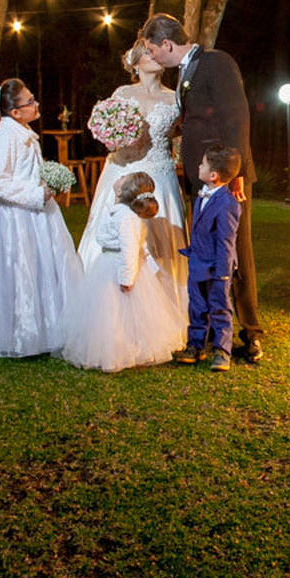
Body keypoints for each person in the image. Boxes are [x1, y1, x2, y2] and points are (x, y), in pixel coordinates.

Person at [141, 13, 263, 362]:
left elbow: (236, 117)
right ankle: (211, 329)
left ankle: (251, 334)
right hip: (200, 180)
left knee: (236, 251)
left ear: (167, 44)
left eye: (153, 49)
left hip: (226, 179)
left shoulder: (216, 62)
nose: (153, 57)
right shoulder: (185, 72)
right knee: (207, 254)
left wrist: (233, 174)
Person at [0, 79, 81, 358]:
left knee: (40, 270)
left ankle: (45, 329)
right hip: (13, 218)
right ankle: (13, 333)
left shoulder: (25, 133)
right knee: (17, 272)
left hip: (37, 216)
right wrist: (36, 193)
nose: (36, 104)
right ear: (15, 112)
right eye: (30, 101)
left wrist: (50, 182)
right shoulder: (3, 138)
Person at [78, 40, 187, 313]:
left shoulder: (173, 97)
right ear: (135, 63)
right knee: (116, 233)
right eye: (147, 54)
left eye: (154, 52)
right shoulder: (122, 93)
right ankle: (106, 308)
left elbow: (179, 133)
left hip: (159, 175)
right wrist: (113, 139)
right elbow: (110, 132)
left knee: (160, 241)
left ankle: (161, 310)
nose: (153, 57)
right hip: (123, 170)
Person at [60, 172, 186, 372]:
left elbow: (129, 249)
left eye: (123, 177)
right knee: (112, 312)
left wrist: (127, 277)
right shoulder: (119, 212)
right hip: (109, 263)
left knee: (118, 312)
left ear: (121, 190)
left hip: (117, 268)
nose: (119, 176)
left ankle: (122, 350)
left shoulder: (126, 217)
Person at [173, 146, 243, 372]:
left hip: (216, 268)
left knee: (219, 308)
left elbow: (226, 240)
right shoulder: (202, 194)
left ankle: (222, 351)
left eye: (202, 164)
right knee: (197, 306)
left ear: (213, 175)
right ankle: (195, 346)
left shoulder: (227, 203)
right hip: (197, 262)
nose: (199, 166)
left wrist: (224, 272)